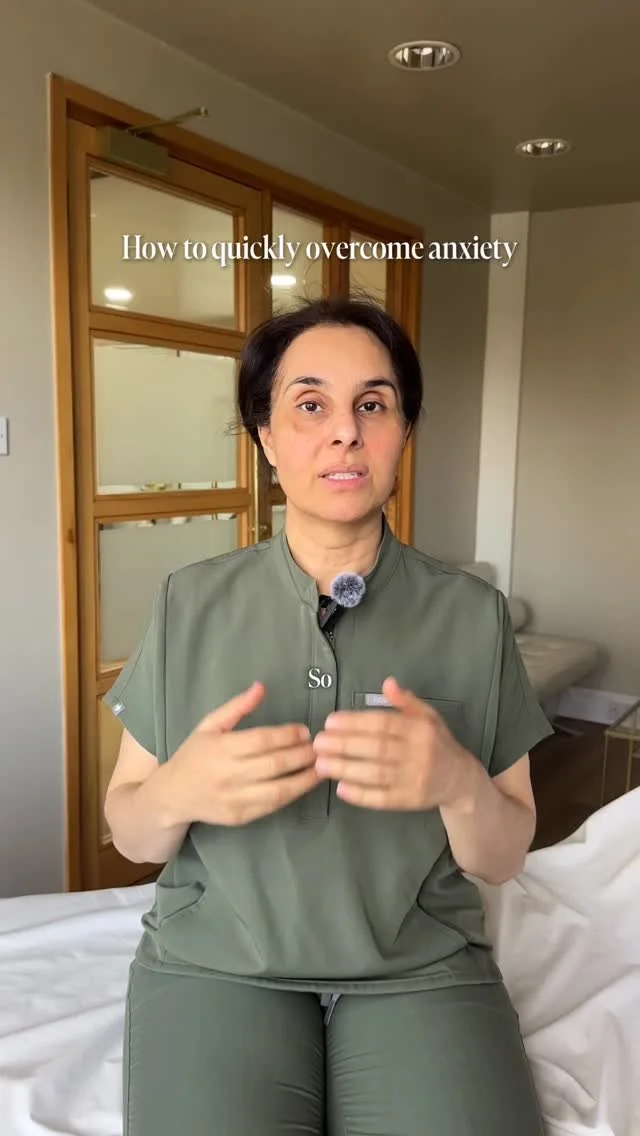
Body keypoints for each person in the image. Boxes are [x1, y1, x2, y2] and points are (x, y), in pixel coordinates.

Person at [103, 295, 554, 1136]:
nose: (345, 431)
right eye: (310, 405)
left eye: (372, 405)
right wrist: (178, 791)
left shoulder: (473, 616)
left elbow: (501, 857)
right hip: (216, 963)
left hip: (422, 966)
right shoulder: (188, 603)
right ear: (267, 437)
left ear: (403, 432)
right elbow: (132, 832)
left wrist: (458, 783)